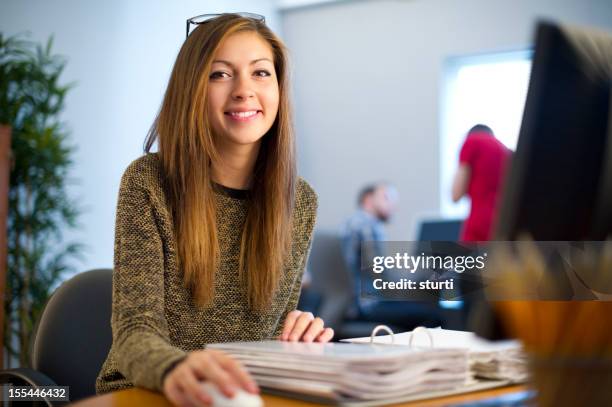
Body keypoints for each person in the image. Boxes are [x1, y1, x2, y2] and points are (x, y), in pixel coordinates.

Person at [96, 13, 333, 406]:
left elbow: (265, 338)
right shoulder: (148, 182)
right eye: (220, 74)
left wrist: (295, 341)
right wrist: (178, 368)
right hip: (149, 393)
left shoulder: (300, 202)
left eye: (261, 73)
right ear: (192, 88)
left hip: (238, 397)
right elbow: (135, 330)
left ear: (278, 87)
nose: (244, 90)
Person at [340, 183, 440, 329]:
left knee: (419, 307)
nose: (392, 205)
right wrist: (419, 279)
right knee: (434, 316)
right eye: (387, 197)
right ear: (368, 199)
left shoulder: (353, 222)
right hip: (367, 306)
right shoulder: (365, 225)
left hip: (358, 304)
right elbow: (380, 273)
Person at [452, 124, 512, 241]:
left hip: (479, 225)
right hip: (504, 223)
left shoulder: (472, 141)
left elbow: (456, 194)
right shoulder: (505, 150)